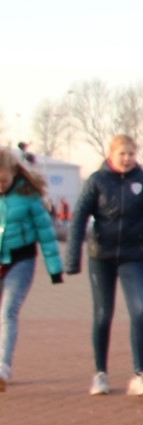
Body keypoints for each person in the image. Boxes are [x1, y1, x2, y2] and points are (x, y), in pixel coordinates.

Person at [67, 135, 143, 396]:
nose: (127, 159)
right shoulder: (97, 181)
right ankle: (100, 374)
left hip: (133, 257)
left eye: (131, 154)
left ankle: (140, 375)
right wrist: (72, 258)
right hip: (101, 257)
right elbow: (78, 218)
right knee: (103, 314)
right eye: (122, 154)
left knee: (140, 311)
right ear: (111, 155)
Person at [0, 147, 66, 392]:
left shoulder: (28, 196)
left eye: (3, 181)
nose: (0, 186)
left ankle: (3, 367)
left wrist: (54, 269)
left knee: (8, 311)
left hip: (21, 261)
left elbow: (46, 234)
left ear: (13, 173)